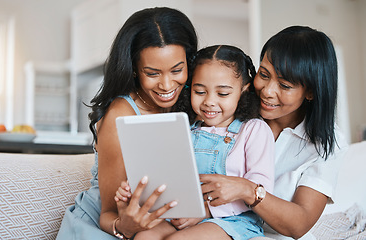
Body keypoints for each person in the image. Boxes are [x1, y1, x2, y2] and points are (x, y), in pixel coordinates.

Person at [56, 7, 198, 240]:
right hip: (100, 229)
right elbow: (108, 214)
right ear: (134, 69)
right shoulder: (120, 116)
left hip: (158, 229)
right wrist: (125, 227)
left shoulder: (195, 100)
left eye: (177, 70)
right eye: (152, 73)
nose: (166, 84)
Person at [197, 26, 349, 240]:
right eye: (264, 74)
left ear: (311, 92)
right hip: (206, 224)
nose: (267, 91)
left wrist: (248, 190)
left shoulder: (326, 142)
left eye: (285, 85)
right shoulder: (228, 110)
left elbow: (299, 223)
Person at [115, 45, 275, 240]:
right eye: (200, 92)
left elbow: (260, 190)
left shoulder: (253, 130)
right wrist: (136, 188)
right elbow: (167, 176)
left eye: (222, 94)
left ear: (243, 90)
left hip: (232, 220)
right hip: (181, 216)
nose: (209, 101)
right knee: (144, 237)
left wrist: (206, 211)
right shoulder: (185, 127)